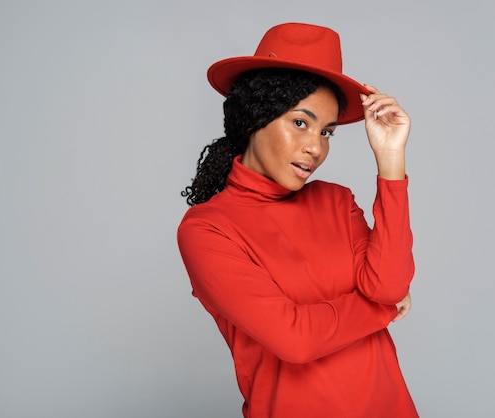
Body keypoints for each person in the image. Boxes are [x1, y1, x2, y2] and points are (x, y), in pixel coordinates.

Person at [177, 22, 418, 417]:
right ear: (255, 118)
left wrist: (391, 161)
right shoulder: (206, 229)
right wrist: (384, 310)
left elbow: (389, 283)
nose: (315, 148)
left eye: (327, 132)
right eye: (301, 123)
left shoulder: (335, 201)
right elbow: (295, 339)